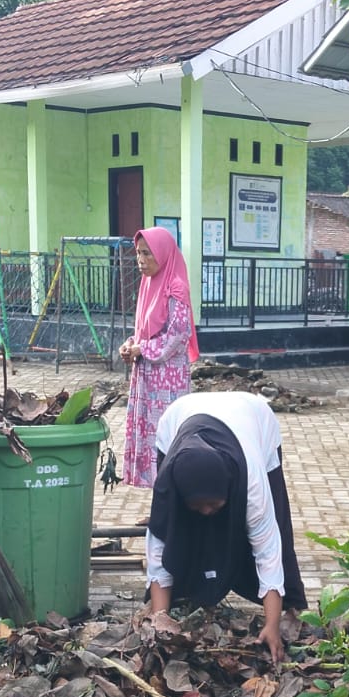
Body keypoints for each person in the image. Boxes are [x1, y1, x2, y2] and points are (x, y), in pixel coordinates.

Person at [145, 391, 307, 664]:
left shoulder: (252, 482)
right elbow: (159, 547)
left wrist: (272, 625)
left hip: (255, 420)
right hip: (178, 416)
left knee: (274, 520)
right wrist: (159, 620)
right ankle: (186, 594)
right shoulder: (170, 482)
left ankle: (287, 603)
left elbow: (268, 550)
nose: (207, 513)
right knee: (179, 526)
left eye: (215, 505)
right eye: (198, 506)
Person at [119, 226, 198, 488]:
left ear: (162, 254)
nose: (141, 260)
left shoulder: (175, 286)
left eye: (147, 254)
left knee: (167, 439)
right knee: (152, 441)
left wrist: (144, 350)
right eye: (138, 254)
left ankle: (169, 507)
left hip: (167, 381)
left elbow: (179, 334)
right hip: (146, 378)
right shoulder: (148, 284)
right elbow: (144, 330)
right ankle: (158, 506)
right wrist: (130, 345)